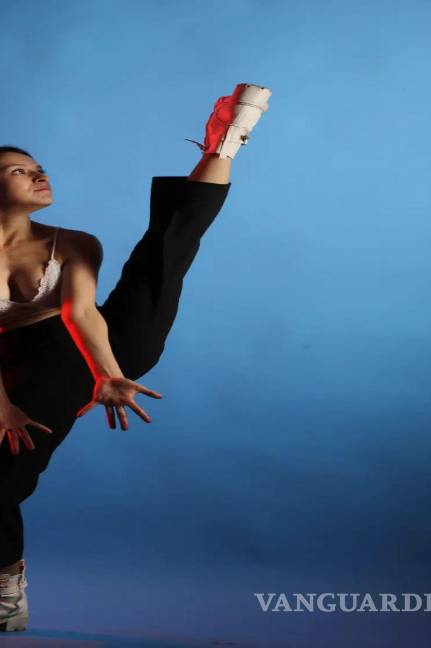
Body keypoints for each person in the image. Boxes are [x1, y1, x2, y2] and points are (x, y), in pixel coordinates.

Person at [0, 83, 272, 632]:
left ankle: (221, 145)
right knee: (3, 478)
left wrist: (107, 375)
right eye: (18, 171)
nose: (38, 175)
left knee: (161, 257)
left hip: (98, 344)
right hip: (23, 367)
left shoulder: (73, 241)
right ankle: (7, 581)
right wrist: (3, 406)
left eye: (38, 168)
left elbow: (81, 313)